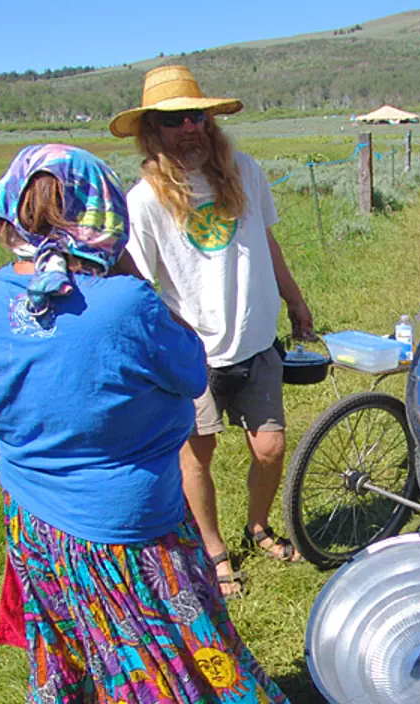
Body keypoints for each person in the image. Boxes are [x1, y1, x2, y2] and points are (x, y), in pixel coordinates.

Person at [0, 144, 312, 704]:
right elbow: (190, 371)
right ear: (104, 216)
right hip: (130, 530)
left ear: (8, 213)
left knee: (60, 651)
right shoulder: (126, 305)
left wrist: (24, 409)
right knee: (137, 672)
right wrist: (129, 279)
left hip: (34, 523)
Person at [110, 65, 314, 585]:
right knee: (197, 455)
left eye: (196, 116)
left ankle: (258, 527)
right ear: (151, 131)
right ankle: (215, 550)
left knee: (270, 449)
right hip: (193, 355)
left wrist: (295, 300)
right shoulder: (144, 201)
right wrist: (165, 340)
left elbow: (267, 242)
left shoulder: (244, 171)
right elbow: (138, 282)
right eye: (173, 120)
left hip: (257, 340)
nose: (189, 128)